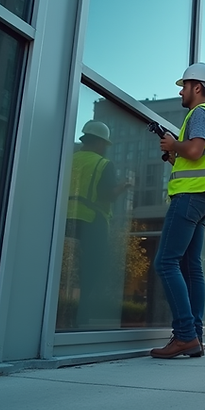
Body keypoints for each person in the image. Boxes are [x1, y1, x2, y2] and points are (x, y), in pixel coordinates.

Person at [150, 62, 205, 359]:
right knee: (192, 268)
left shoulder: (199, 113)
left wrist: (175, 143)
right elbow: (195, 159)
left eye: (184, 86)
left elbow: (194, 150)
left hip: (189, 198)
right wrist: (174, 154)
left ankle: (184, 335)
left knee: (166, 263)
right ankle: (195, 336)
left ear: (197, 87)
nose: (182, 91)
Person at [65, 120, 130, 328]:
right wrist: (122, 187)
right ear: (100, 143)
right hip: (93, 220)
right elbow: (106, 195)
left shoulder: (70, 159)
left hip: (66, 217)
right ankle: (83, 318)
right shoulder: (103, 164)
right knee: (93, 271)